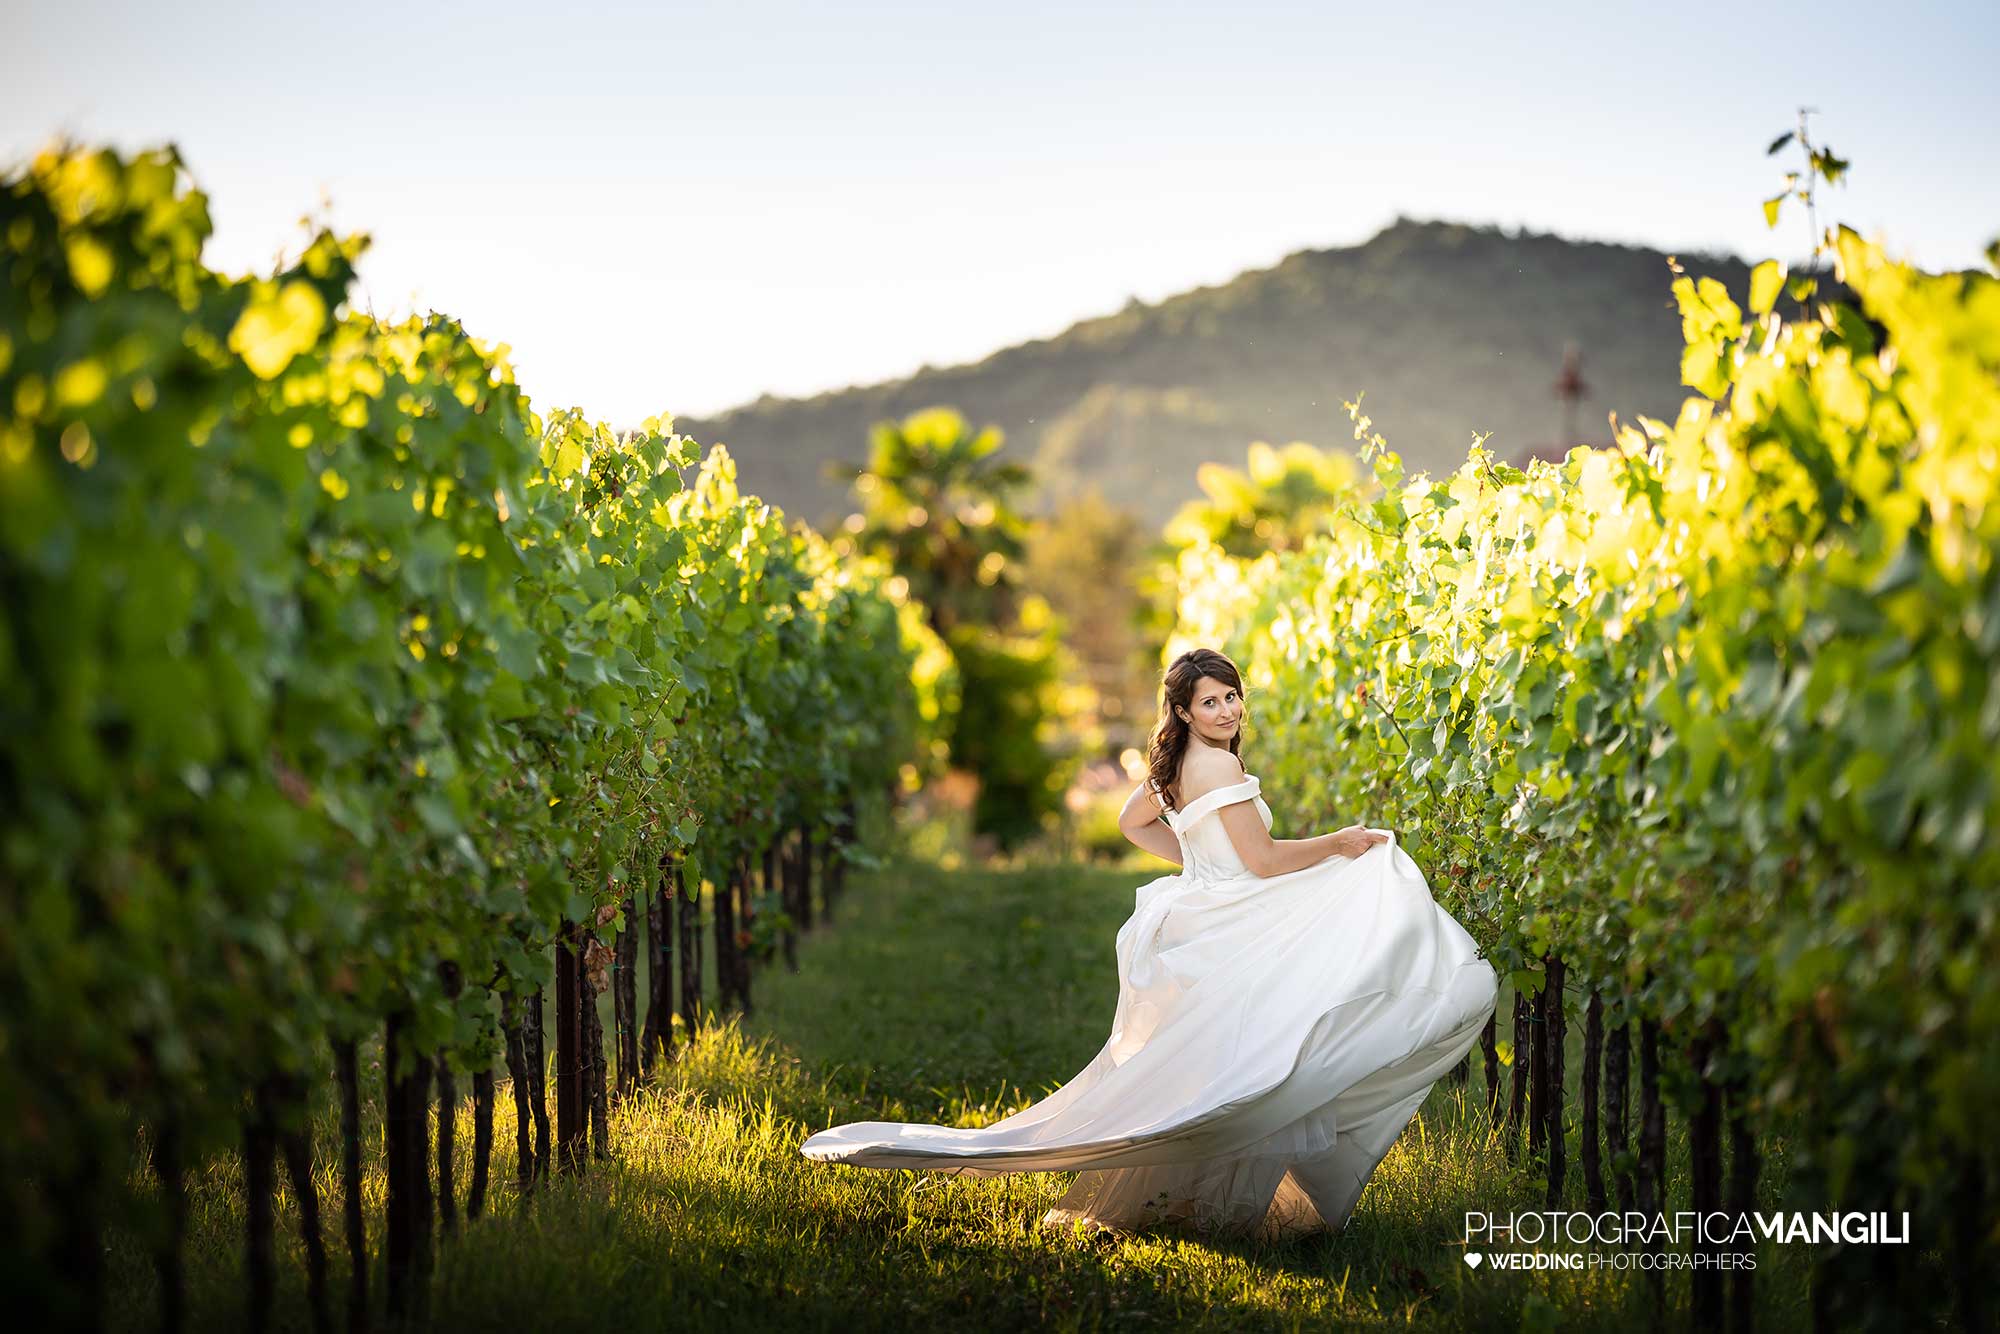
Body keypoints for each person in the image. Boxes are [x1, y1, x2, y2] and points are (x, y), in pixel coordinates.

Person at [799, 647, 1498, 1241]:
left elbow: (1137, 822)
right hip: (1235, 914)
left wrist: (1198, 861)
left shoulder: (1179, 764)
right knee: (1266, 1049)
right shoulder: (1219, 767)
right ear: (1185, 712)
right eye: (1211, 702)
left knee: (1230, 1058)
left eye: (1232, 697)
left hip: (1208, 908)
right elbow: (1262, 860)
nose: (1227, 711)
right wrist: (1339, 843)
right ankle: (1216, 1194)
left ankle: (1201, 1196)